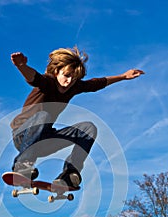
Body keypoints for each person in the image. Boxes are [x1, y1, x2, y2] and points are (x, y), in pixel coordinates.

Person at [10, 46, 144, 186]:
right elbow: (34, 78)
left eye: (73, 79)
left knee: (88, 128)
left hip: (44, 140)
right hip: (23, 136)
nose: (68, 82)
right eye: (66, 76)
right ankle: (22, 165)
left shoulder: (73, 87)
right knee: (44, 115)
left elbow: (96, 83)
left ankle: (69, 175)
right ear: (56, 72)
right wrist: (21, 66)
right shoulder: (48, 82)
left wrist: (123, 76)